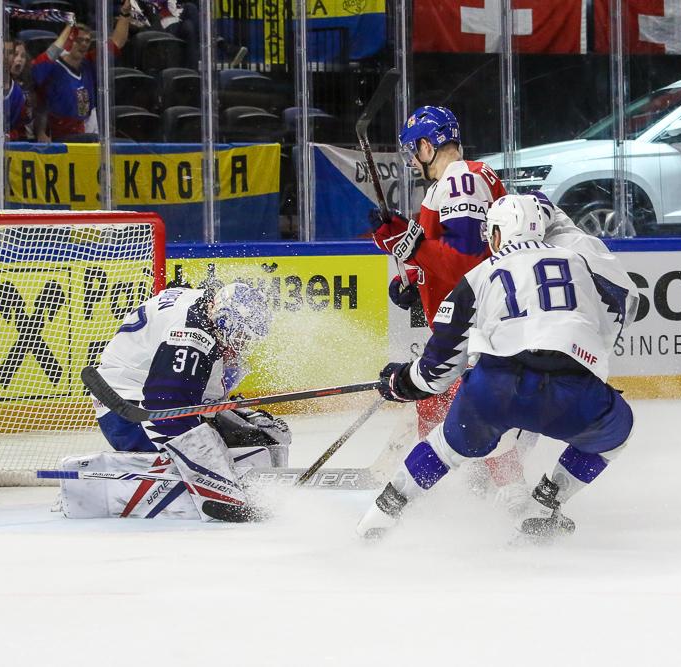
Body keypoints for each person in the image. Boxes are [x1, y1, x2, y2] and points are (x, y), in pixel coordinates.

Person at [356, 194, 636, 542]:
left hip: (497, 389)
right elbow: (617, 312)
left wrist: (401, 382)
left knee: (445, 446)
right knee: (616, 433)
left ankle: (381, 514)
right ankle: (544, 505)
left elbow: (436, 372)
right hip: (573, 390)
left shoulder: (480, 274)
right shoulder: (580, 262)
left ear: (498, 233)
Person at [370, 106, 523, 503]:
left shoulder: (460, 179)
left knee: (475, 408)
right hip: (468, 325)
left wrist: (412, 247)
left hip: (480, 327)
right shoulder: (461, 180)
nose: (412, 161)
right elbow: (456, 258)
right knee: (432, 405)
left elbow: (468, 264)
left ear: (427, 145)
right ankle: (445, 493)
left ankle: (515, 499)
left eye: (413, 150)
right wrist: (414, 279)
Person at [58, 282, 290, 522]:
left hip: (142, 392)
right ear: (225, 320)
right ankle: (218, 492)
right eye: (241, 335)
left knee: (254, 434)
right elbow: (165, 408)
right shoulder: (191, 338)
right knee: (223, 437)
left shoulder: (206, 307)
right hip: (126, 413)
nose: (243, 344)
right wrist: (215, 477)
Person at [32, 22, 98, 142]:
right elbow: (42, 105)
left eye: (87, 41)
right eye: (78, 40)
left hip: (85, 131)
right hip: (59, 135)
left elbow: (116, 43)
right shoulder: (51, 68)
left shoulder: (87, 65)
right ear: (68, 42)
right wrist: (69, 26)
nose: (84, 44)